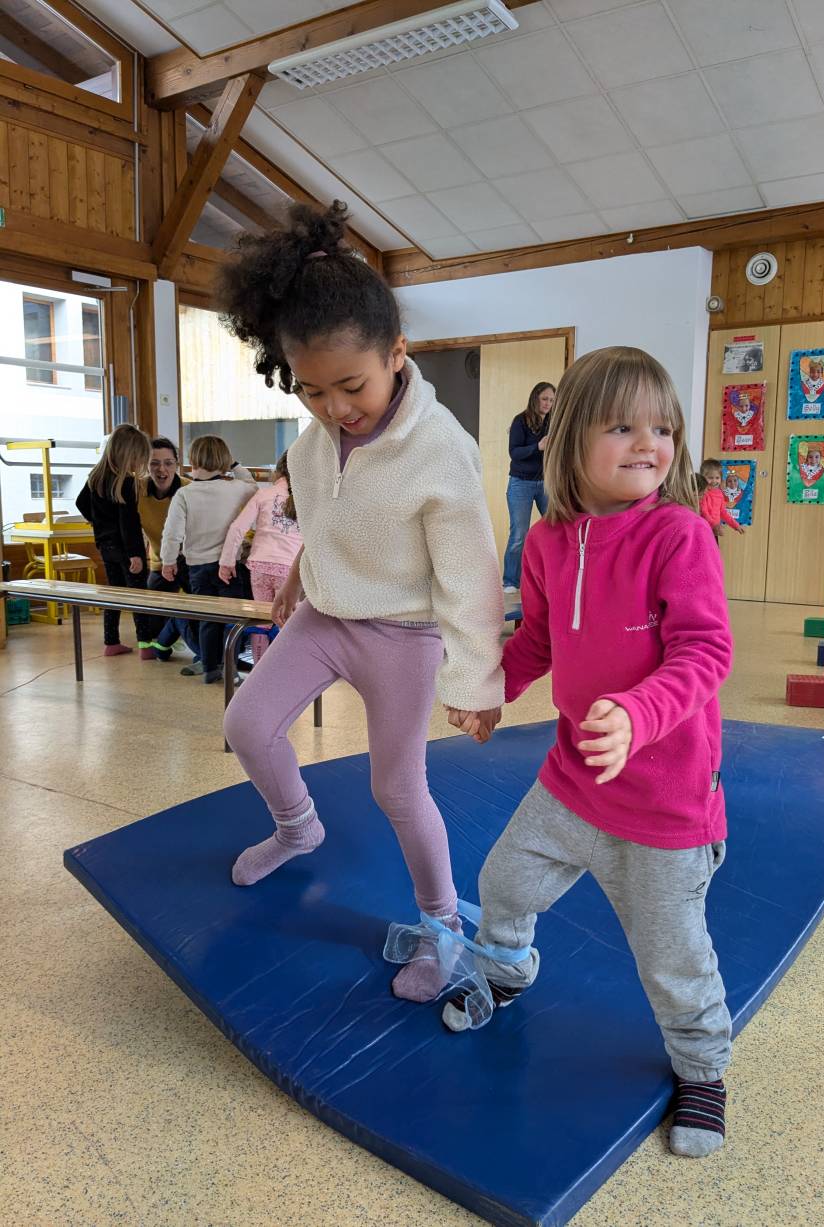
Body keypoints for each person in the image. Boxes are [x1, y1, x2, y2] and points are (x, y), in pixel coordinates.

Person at [444, 347, 734, 1158]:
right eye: (623, 426)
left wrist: (640, 716)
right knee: (504, 877)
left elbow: (707, 653)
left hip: (666, 801)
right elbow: (538, 638)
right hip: (573, 780)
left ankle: (703, 1068)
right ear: (571, 439)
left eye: (663, 428)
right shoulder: (546, 544)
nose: (650, 442)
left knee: (672, 957)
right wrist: (492, 687)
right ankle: (504, 967)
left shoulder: (678, 534)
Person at [217, 200, 504, 1003]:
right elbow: (327, 513)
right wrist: (307, 570)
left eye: (351, 386)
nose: (334, 408)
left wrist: (476, 683)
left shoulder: (440, 447)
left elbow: (470, 571)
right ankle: (297, 826)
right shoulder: (312, 443)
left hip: (403, 637)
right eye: (310, 390)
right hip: (326, 618)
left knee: (396, 788)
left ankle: (442, 924)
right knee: (245, 722)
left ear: (397, 354)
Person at [159, 436, 256, 684]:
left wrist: (168, 562)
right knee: (232, 619)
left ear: (192, 460)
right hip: (230, 565)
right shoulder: (237, 489)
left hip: (198, 567)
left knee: (207, 618)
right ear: (225, 460)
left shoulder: (184, 494)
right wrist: (234, 464)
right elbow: (251, 483)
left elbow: (172, 533)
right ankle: (231, 668)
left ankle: (211, 668)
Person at [218, 450, 303, 664]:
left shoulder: (264, 494)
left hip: (259, 567)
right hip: (290, 570)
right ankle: (288, 667)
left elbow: (238, 528)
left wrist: (226, 562)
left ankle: (259, 668)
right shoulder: (307, 497)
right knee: (289, 621)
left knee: (261, 621)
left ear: (278, 471)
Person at [75, 424, 152, 657]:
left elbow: (80, 504)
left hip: (105, 545)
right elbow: (128, 523)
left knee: (114, 592)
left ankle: (111, 642)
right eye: (138, 458)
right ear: (128, 454)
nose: (138, 464)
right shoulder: (125, 483)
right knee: (139, 595)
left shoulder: (95, 477)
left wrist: (98, 523)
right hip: (127, 549)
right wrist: (135, 554)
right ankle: (146, 645)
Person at [137, 436, 198, 667]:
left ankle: (203, 650)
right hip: (160, 562)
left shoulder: (189, 489)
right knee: (151, 616)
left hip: (191, 560)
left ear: (177, 464)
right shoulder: (137, 490)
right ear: (146, 465)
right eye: (154, 463)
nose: (162, 469)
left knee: (199, 608)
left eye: (169, 463)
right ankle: (165, 641)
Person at [501, 382, 555, 592]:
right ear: (535, 398)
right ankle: (510, 582)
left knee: (556, 528)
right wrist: (538, 447)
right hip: (520, 483)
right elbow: (514, 453)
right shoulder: (520, 421)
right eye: (544, 399)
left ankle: (547, 579)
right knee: (519, 534)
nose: (548, 404)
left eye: (551, 400)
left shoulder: (554, 422)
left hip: (546, 483)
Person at [699, 458, 744, 540]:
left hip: (714, 531)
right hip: (703, 529)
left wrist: (735, 525)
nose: (714, 481)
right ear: (702, 478)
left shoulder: (719, 494)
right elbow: (704, 512)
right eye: (710, 478)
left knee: (714, 551)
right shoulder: (702, 493)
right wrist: (715, 525)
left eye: (717, 478)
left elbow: (723, 512)